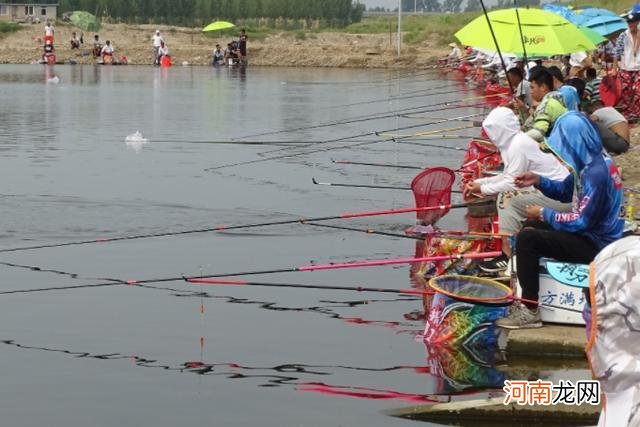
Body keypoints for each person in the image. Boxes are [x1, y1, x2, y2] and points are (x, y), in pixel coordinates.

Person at [496, 111, 624, 329]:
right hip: (592, 234)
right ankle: (530, 292)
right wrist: (538, 180)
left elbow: (580, 221)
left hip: (599, 244)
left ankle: (530, 310)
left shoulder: (596, 174)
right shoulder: (592, 163)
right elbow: (567, 191)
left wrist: (545, 213)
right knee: (531, 227)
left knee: (528, 238)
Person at [464, 107, 572, 272]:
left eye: (493, 131)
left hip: (560, 198)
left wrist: (483, 189)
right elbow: (508, 175)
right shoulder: (515, 142)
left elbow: (511, 183)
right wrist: (480, 182)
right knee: (505, 194)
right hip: (553, 193)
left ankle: (508, 255)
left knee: (507, 197)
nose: (491, 136)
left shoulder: (517, 145)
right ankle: (512, 248)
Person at [523, 67, 567, 142]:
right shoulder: (557, 98)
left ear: (543, 87)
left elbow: (538, 133)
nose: (530, 92)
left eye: (532, 88)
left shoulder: (546, 105)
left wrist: (518, 139)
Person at [614, 5, 640, 119]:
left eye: (633, 22)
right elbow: (616, 53)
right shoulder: (623, 35)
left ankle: (636, 113)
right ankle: (628, 114)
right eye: (629, 22)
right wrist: (614, 68)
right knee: (626, 92)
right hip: (626, 68)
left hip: (638, 68)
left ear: (637, 22)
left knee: (638, 91)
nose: (631, 24)